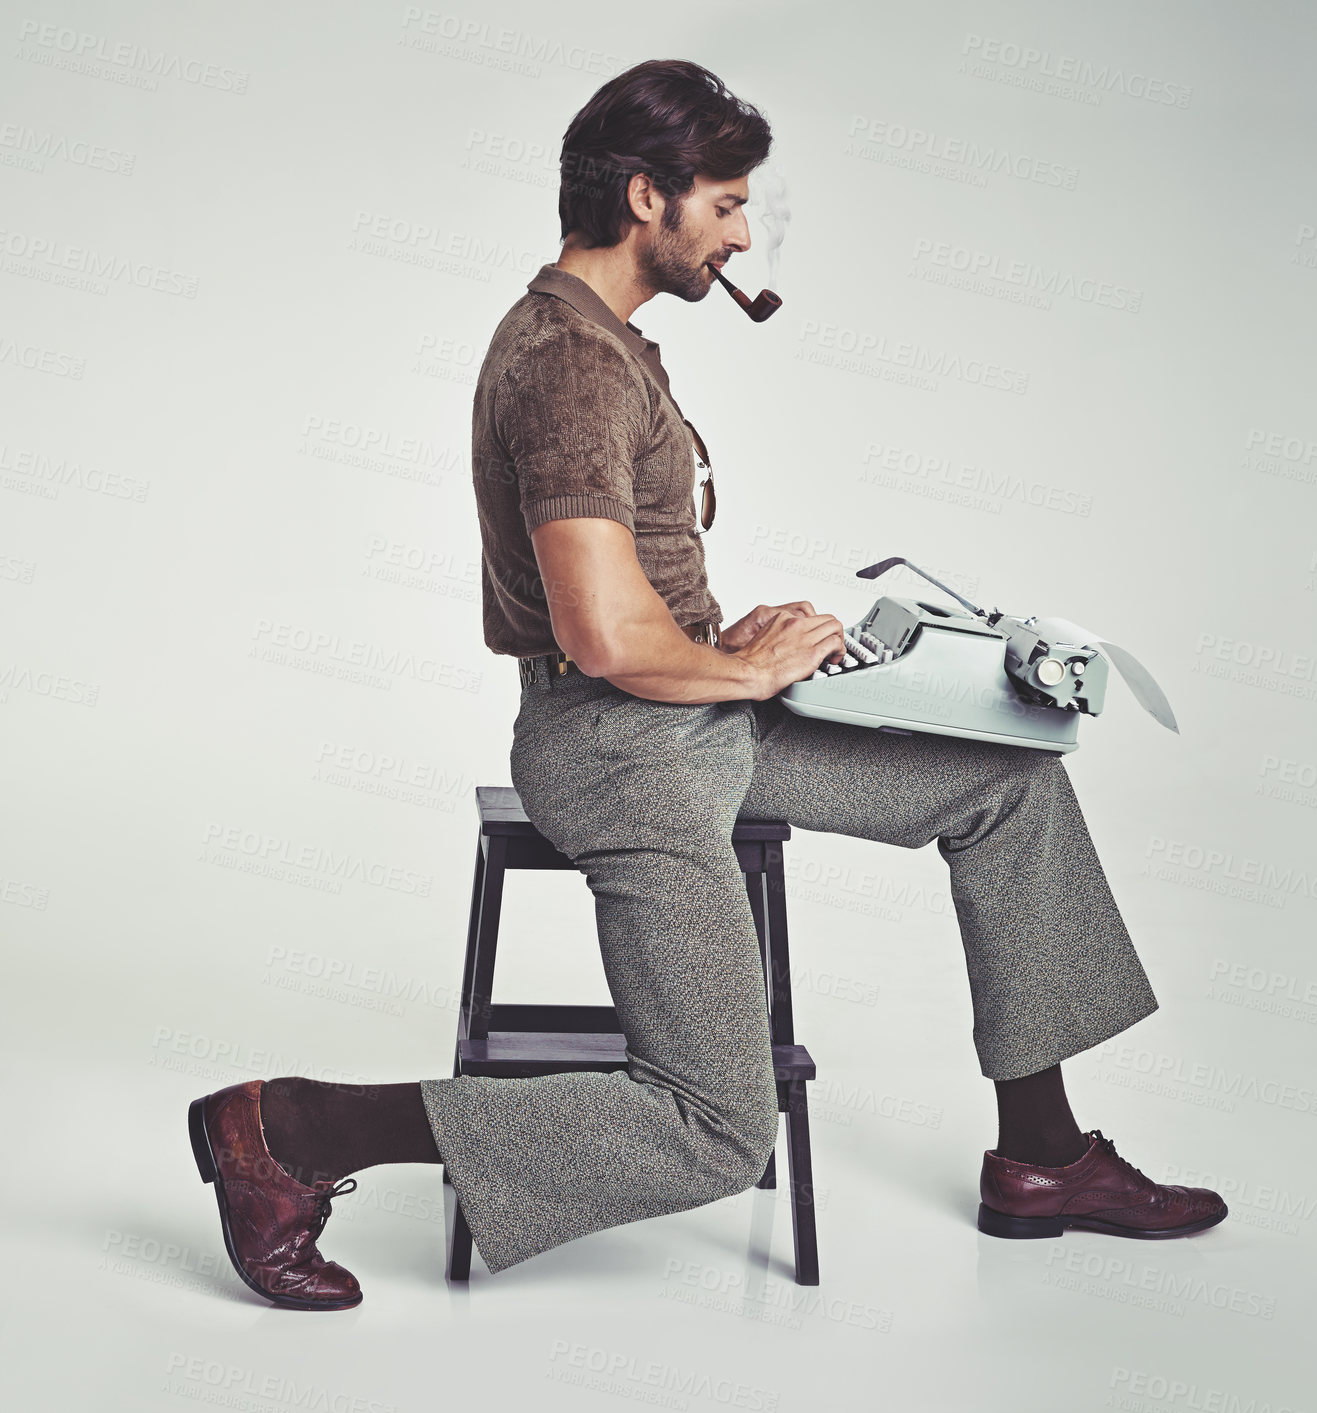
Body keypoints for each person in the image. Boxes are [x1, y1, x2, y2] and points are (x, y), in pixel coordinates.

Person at [188, 58, 1226, 1313]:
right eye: (726, 202)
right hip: (621, 747)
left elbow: (634, 603)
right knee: (715, 1128)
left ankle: (1046, 1161)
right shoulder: (567, 363)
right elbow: (602, 634)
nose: (741, 230)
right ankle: (289, 1129)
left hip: (687, 716)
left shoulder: (609, 343)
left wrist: (741, 640)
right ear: (646, 198)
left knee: (1008, 784)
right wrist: (742, 664)